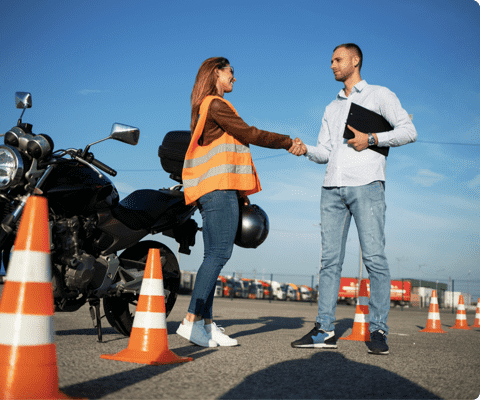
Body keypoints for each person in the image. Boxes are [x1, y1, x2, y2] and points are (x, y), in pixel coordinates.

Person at [290, 44, 417, 355]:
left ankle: (378, 331)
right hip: (332, 188)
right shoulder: (330, 108)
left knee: (374, 259)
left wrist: (371, 139)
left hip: (368, 185)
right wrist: (304, 149)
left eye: (338, 59)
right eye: (331, 61)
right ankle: (324, 329)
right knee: (329, 262)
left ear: (355, 60)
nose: (332, 65)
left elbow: (409, 131)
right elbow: (325, 152)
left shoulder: (379, 95)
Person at [176, 57, 296, 347]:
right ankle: (191, 321)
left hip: (216, 189)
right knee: (218, 255)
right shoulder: (216, 104)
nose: (235, 78)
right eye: (231, 72)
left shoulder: (205, 107)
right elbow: (250, 134)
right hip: (218, 190)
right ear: (217, 72)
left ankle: (206, 324)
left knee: (214, 257)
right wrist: (287, 141)